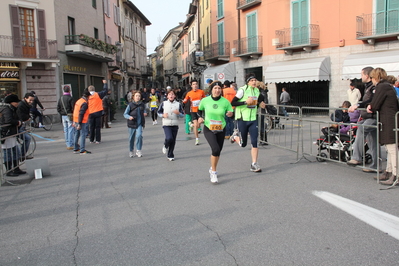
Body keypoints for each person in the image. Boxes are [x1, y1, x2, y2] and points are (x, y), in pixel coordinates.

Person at [366, 68, 399, 186]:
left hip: (388, 120)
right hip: (390, 119)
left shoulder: (381, 87)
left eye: (372, 78)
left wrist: (370, 106)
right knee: (389, 148)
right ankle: (389, 171)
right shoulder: (388, 86)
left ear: (375, 77)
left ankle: (396, 175)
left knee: (392, 148)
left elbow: (375, 104)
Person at [198, 81, 234, 184]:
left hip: (221, 128)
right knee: (215, 148)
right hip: (209, 128)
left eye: (219, 88)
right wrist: (200, 118)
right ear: (211, 89)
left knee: (218, 152)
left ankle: (212, 167)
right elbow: (198, 111)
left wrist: (231, 114)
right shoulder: (205, 100)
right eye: (215, 88)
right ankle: (214, 172)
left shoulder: (225, 102)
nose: (217, 90)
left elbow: (232, 113)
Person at [347, 66, 381, 173]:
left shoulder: (374, 87)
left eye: (361, 74)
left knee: (361, 128)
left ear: (367, 76)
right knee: (373, 142)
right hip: (368, 116)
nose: (360, 77)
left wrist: (358, 105)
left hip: (373, 117)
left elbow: (372, 99)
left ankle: (356, 157)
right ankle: (375, 165)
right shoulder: (368, 87)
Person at [231, 73, 266, 172]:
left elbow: (256, 104)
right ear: (248, 82)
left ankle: (254, 164)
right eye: (252, 80)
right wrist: (245, 102)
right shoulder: (242, 90)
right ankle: (235, 137)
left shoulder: (257, 90)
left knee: (255, 142)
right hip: (242, 119)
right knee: (243, 144)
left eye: (255, 80)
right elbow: (233, 102)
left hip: (253, 119)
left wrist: (261, 105)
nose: (254, 82)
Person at [1, 94, 26, 176]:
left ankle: (16, 168)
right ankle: (9, 170)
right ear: (11, 102)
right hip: (6, 133)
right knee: (8, 152)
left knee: (15, 151)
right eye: (16, 102)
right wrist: (18, 122)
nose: (17, 103)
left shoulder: (11, 108)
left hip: (12, 132)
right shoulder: (6, 109)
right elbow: (8, 120)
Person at [158, 89, 184, 161]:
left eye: (172, 94)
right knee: (169, 138)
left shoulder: (178, 104)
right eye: (170, 94)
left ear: (175, 96)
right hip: (166, 124)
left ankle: (170, 155)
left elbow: (182, 115)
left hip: (175, 124)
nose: (171, 96)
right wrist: (163, 115)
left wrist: (178, 113)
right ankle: (165, 145)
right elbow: (159, 112)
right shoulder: (164, 103)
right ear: (167, 96)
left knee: (173, 140)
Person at [123, 90, 147, 158]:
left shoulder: (142, 104)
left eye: (139, 96)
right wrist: (129, 117)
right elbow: (125, 114)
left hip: (139, 124)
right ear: (133, 97)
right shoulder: (130, 105)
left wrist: (145, 112)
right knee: (131, 138)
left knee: (139, 136)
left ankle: (138, 150)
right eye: (136, 96)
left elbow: (144, 110)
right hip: (132, 123)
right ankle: (131, 151)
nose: (138, 97)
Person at [183, 80, 206, 145]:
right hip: (193, 110)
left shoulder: (201, 92)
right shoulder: (189, 93)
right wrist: (184, 101)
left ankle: (191, 124)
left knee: (199, 124)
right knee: (196, 125)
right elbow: (185, 100)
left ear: (197, 85)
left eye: (196, 84)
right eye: (193, 84)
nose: (195, 85)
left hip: (200, 110)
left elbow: (205, 98)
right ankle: (197, 139)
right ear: (191, 86)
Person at [88, 80, 109, 144]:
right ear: (94, 89)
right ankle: (97, 140)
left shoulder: (87, 96)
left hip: (90, 113)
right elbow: (105, 91)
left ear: (88, 90)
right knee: (97, 127)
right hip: (98, 112)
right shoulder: (98, 94)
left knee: (91, 127)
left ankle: (91, 140)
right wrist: (105, 84)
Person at [16, 92, 35, 160]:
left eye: (32, 100)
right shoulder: (21, 105)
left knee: (26, 139)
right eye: (30, 100)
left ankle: (21, 155)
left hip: (21, 125)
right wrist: (27, 117)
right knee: (27, 138)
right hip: (18, 126)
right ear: (25, 99)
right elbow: (21, 116)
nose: (31, 102)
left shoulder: (27, 105)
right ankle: (21, 155)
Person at [57, 85, 75, 149]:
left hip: (63, 116)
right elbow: (73, 107)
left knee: (65, 129)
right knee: (71, 129)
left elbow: (58, 108)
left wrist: (61, 113)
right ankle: (70, 144)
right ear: (69, 90)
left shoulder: (61, 98)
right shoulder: (70, 98)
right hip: (69, 115)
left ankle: (67, 143)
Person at [73, 89, 91, 154]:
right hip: (81, 121)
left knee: (76, 134)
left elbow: (75, 111)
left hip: (75, 119)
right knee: (82, 134)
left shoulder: (78, 101)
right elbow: (81, 113)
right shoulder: (84, 103)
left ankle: (75, 148)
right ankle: (82, 149)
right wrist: (79, 123)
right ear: (87, 96)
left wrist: (74, 121)